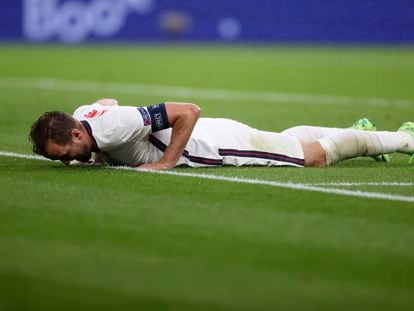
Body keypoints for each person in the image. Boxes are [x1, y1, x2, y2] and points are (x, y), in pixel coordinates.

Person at [29, 99, 414, 170]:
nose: (65, 160)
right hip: (218, 133)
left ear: (77, 134)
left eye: (63, 153)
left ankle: (404, 141)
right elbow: (106, 100)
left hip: (208, 145)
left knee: (312, 156)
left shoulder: (111, 126)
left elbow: (188, 111)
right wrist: (98, 153)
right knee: (284, 140)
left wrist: (166, 162)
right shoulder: (87, 118)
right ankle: (359, 133)